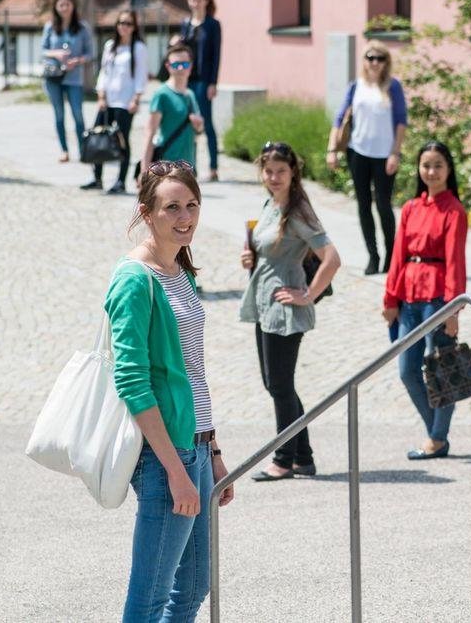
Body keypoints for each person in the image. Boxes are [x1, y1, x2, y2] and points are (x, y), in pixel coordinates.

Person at [105, 159, 234, 621]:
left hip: (195, 447)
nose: (185, 217)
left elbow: (194, 371)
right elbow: (133, 382)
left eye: (192, 205)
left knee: (195, 583)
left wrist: (213, 449)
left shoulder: (182, 271)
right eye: (172, 207)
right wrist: (175, 471)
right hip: (165, 456)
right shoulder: (135, 279)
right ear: (146, 212)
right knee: (151, 594)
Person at [239, 141, 341, 481]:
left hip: (285, 306)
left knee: (280, 384)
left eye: (281, 171)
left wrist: (308, 294)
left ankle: (283, 459)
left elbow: (332, 258)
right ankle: (303, 456)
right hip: (265, 301)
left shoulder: (298, 212)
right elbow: (268, 247)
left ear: (293, 172)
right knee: (275, 383)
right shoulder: (270, 204)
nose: (274, 177)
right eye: (269, 171)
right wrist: (251, 259)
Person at [382, 141, 468, 461]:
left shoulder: (454, 211)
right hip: (409, 296)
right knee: (407, 369)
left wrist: (453, 308)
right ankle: (437, 433)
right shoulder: (410, 208)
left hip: (438, 297)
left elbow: (455, 261)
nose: (431, 172)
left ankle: (436, 438)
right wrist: (390, 298)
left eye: (438, 166)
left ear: (448, 170)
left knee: (442, 368)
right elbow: (397, 256)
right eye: (426, 165)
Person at [327, 41, 408, 275]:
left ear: (386, 63)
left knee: (383, 204)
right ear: (364, 60)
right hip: (358, 151)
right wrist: (332, 149)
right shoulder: (356, 86)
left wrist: (395, 152)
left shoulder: (393, 87)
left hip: (385, 155)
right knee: (363, 205)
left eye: (380, 58)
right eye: (370, 57)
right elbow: (340, 117)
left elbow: (401, 121)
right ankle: (373, 256)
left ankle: (391, 256)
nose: (375, 63)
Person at [82, 10, 148, 195]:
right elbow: (104, 73)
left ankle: (120, 181)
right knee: (98, 137)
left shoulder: (138, 48)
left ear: (134, 27)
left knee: (121, 141)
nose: (123, 27)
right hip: (107, 100)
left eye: (127, 23)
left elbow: (141, 76)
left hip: (125, 102)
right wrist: (101, 96)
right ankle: (97, 177)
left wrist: (136, 98)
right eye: (120, 23)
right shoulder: (111, 46)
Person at [41, 0, 94, 163]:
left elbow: (90, 53)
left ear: (73, 6)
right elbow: (43, 50)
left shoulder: (82, 27)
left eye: (67, 4)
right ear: (56, 7)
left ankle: (82, 149)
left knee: (78, 115)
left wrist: (77, 60)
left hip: (74, 78)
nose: (64, 8)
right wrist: (56, 54)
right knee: (59, 115)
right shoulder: (50, 27)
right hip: (54, 77)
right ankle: (64, 150)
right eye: (61, 5)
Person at [139, 44, 204, 177]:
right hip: (166, 168)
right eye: (176, 64)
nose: (180, 68)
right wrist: (144, 170)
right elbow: (149, 132)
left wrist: (199, 125)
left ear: (190, 67)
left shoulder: (190, 95)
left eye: (185, 64)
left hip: (188, 167)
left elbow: (198, 131)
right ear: (168, 66)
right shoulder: (162, 94)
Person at [179, 0, 222, 181]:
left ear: (206, 1)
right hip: (187, 79)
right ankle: (190, 166)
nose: (195, 3)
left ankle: (213, 167)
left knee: (206, 122)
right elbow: (182, 50)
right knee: (189, 123)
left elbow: (216, 55)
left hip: (204, 80)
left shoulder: (213, 25)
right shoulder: (186, 24)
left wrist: (213, 82)